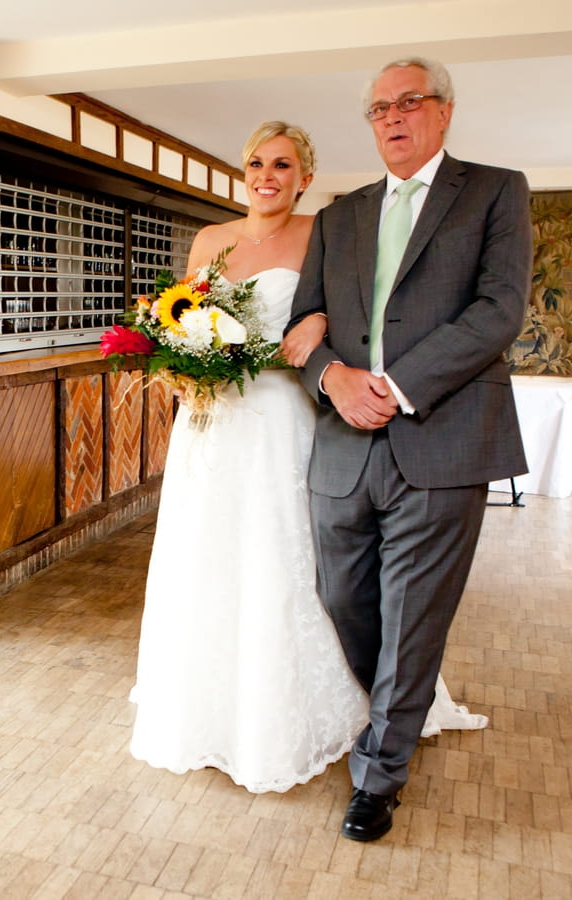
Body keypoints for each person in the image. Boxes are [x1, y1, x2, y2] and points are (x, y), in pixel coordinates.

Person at [130, 119, 490, 794]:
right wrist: (182, 362)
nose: (267, 176)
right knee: (205, 556)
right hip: (210, 424)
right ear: (244, 172)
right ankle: (211, 709)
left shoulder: (320, 233)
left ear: (305, 177)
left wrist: (319, 324)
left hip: (280, 418)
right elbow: (180, 319)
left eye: (283, 165)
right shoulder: (211, 240)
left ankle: (314, 712)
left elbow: (337, 315)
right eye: (257, 163)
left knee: (285, 558)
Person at [284, 57, 533, 838]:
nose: (392, 117)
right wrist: (333, 380)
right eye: (379, 109)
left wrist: (391, 384)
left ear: (444, 111)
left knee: (414, 612)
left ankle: (380, 771)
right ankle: (403, 708)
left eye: (409, 102)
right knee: (344, 600)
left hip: (443, 434)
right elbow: (304, 329)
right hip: (341, 445)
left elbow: (500, 311)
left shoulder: (495, 190)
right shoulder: (338, 214)